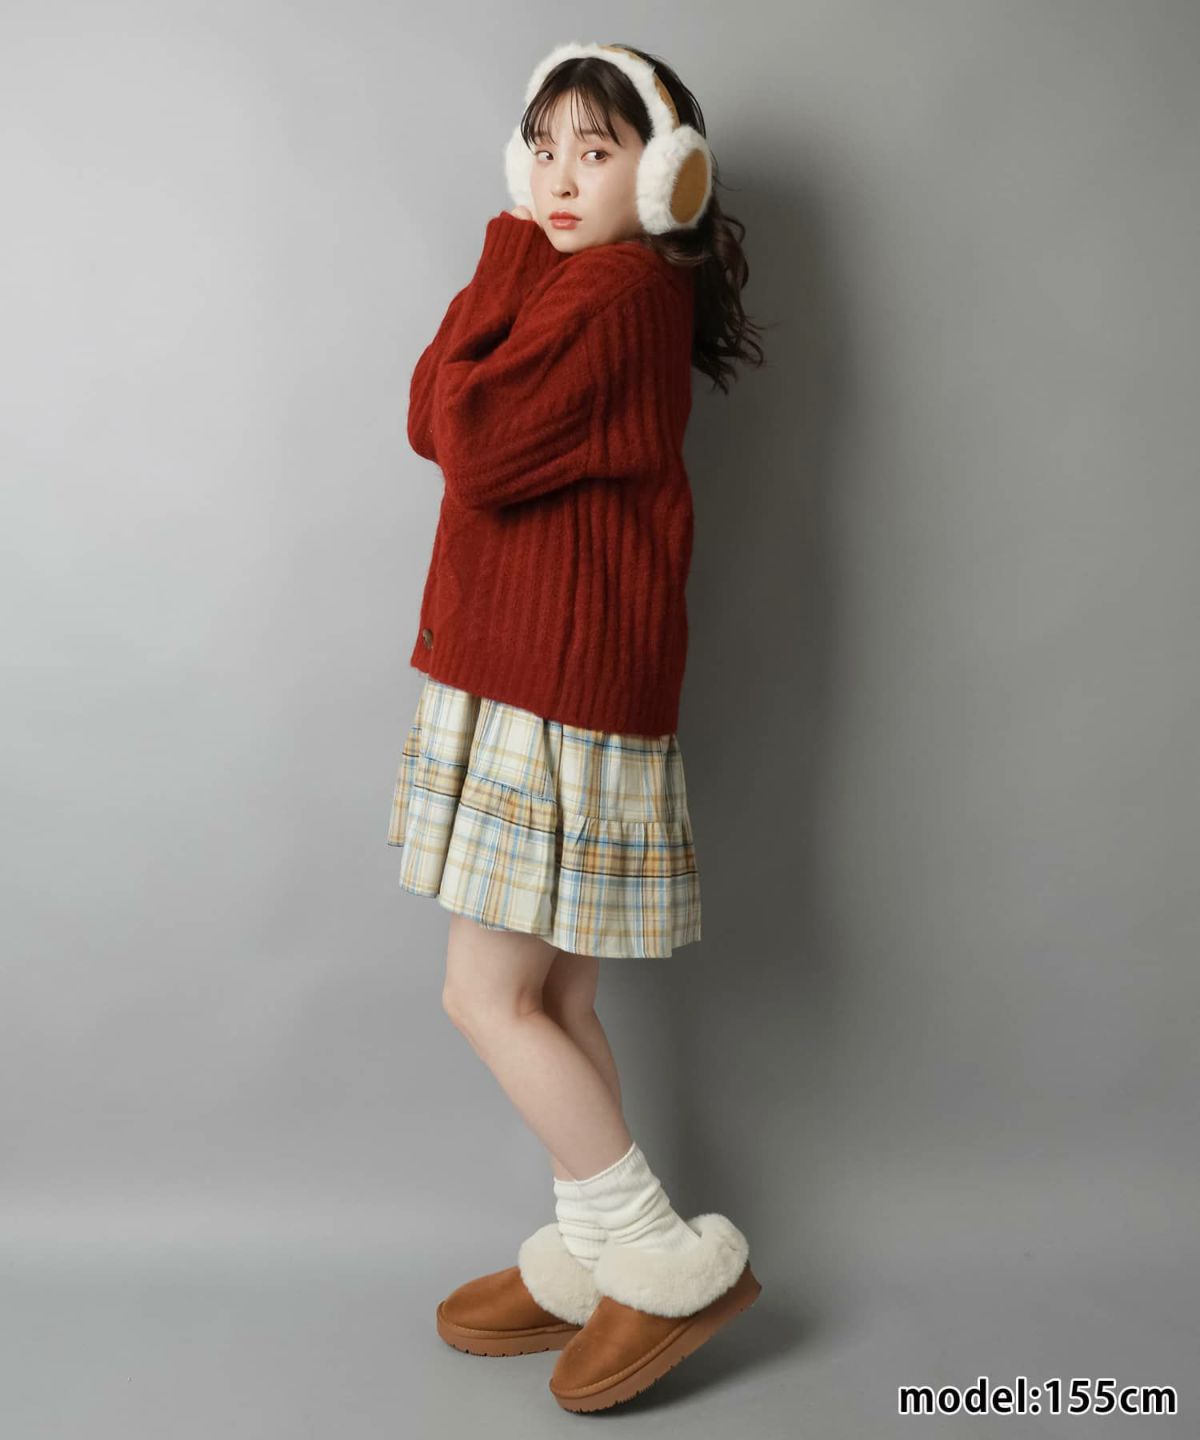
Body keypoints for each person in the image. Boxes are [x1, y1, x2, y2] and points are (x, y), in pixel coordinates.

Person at [387, 41, 766, 1411]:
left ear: (667, 178)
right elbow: (427, 412)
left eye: (595, 153)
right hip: (544, 679)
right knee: (554, 998)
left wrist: (502, 259)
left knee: (484, 997)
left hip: (553, 691)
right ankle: (596, 1253)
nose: (555, 180)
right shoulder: (574, 281)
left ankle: (661, 1254)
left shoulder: (616, 295)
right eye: (541, 149)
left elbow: (475, 442)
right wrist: (513, 266)